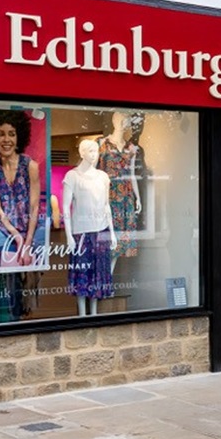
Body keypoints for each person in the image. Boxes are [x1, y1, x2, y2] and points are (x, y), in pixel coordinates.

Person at [0, 108, 42, 273]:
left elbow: (34, 207)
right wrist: (17, 237)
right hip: (4, 225)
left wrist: (27, 242)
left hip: (33, 225)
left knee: (39, 251)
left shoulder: (31, 166)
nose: (6, 139)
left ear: (19, 137)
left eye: (11, 133)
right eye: (0, 134)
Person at [63, 138, 117, 316]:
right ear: (82, 153)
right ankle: (81, 314)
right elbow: (65, 207)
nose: (94, 155)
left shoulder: (103, 177)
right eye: (90, 151)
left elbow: (106, 205)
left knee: (97, 272)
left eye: (96, 151)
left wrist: (112, 232)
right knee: (82, 272)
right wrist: (69, 235)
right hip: (81, 232)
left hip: (101, 231)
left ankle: (94, 313)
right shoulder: (73, 176)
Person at [97, 110, 144, 262]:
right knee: (105, 239)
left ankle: (108, 280)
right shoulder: (101, 143)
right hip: (107, 195)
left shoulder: (131, 148)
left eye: (127, 121)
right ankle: (103, 280)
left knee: (119, 244)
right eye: (121, 120)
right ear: (114, 121)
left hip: (125, 197)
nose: (124, 124)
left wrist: (138, 198)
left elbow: (131, 174)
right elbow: (95, 170)